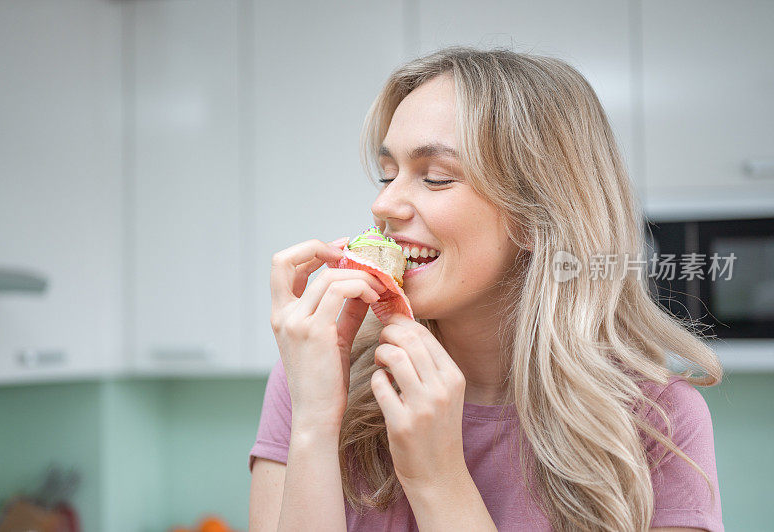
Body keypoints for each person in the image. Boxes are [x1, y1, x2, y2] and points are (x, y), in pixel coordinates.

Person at [248, 46, 724, 531]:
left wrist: (439, 481)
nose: (384, 203)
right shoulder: (316, 376)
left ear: (539, 216)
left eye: (435, 178)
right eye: (386, 174)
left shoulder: (656, 421)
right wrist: (314, 426)